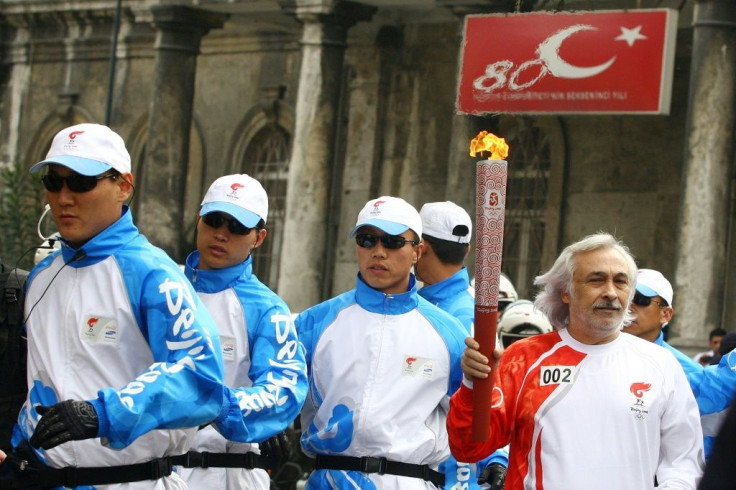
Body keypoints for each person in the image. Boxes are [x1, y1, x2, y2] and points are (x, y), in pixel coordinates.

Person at [6, 123, 225, 489]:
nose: (63, 197)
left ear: (123, 186)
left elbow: (200, 379)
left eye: (80, 182)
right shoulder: (41, 275)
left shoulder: (154, 275)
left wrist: (103, 414)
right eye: (53, 181)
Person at [448, 232, 704, 489]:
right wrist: (473, 386)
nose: (611, 293)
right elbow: (468, 448)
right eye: (597, 280)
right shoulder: (523, 359)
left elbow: (684, 462)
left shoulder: (661, 364)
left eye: (621, 282)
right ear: (566, 292)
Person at [295, 196, 466, 489]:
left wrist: (495, 458)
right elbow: (279, 392)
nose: (378, 252)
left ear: (417, 251)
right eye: (367, 239)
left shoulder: (449, 333)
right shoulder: (314, 323)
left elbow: (471, 414)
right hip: (330, 479)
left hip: (409, 480)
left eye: (392, 242)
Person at [177, 174, 308, 488]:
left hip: (227, 473)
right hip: (152, 473)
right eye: (214, 220)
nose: (222, 234)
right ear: (199, 221)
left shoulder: (268, 310)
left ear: (259, 237)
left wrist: (218, 406)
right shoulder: (160, 287)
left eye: (237, 226)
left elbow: (284, 391)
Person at [415, 201, 507, 490]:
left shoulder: (465, 316)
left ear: (422, 248)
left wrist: (496, 455)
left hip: (449, 468)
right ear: (467, 250)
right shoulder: (422, 304)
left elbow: (484, 392)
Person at [622, 269, 703, 385]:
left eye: (641, 300)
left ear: (666, 314)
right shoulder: (593, 351)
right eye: (625, 298)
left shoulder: (688, 373)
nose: (629, 307)